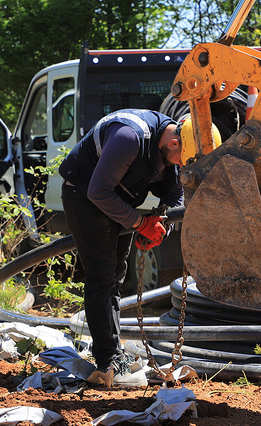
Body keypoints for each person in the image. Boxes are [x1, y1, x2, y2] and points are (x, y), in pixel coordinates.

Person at [58, 109, 219, 387]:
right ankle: (107, 360)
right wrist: (139, 223)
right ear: (174, 143)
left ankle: (115, 354)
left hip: (116, 196)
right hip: (85, 195)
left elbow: (175, 193)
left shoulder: (173, 143)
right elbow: (98, 192)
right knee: (101, 278)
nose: (182, 166)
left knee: (116, 279)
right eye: (182, 160)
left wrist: (160, 222)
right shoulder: (129, 137)